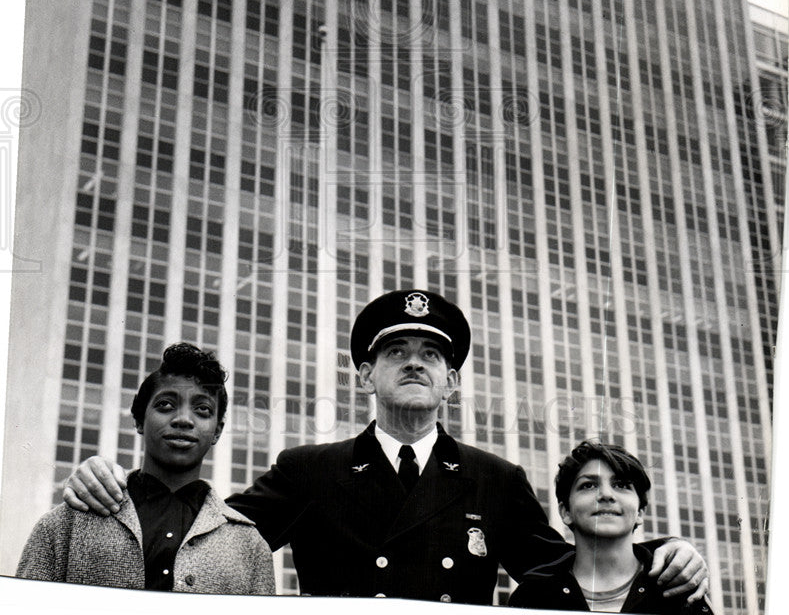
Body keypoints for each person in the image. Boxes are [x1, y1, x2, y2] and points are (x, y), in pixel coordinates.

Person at [62, 290, 708, 603]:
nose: (414, 363)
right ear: (364, 374)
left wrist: (660, 551)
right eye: (395, 351)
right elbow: (213, 533)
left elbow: (568, 564)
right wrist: (113, 489)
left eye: (431, 354)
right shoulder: (308, 470)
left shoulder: (494, 478)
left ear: (451, 380)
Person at [19, 343, 274, 595]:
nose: (183, 419)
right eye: (165, 405)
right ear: (139, 420)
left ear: (217, 431)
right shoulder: (66, 523)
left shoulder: (251, 547)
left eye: (202, 410)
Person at [509, 441, 713, 613]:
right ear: (566, 512)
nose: (606, 495)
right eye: (588, 485)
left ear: (640, 512)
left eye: (621, 485)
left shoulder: (678, 583)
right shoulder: (532, 596)